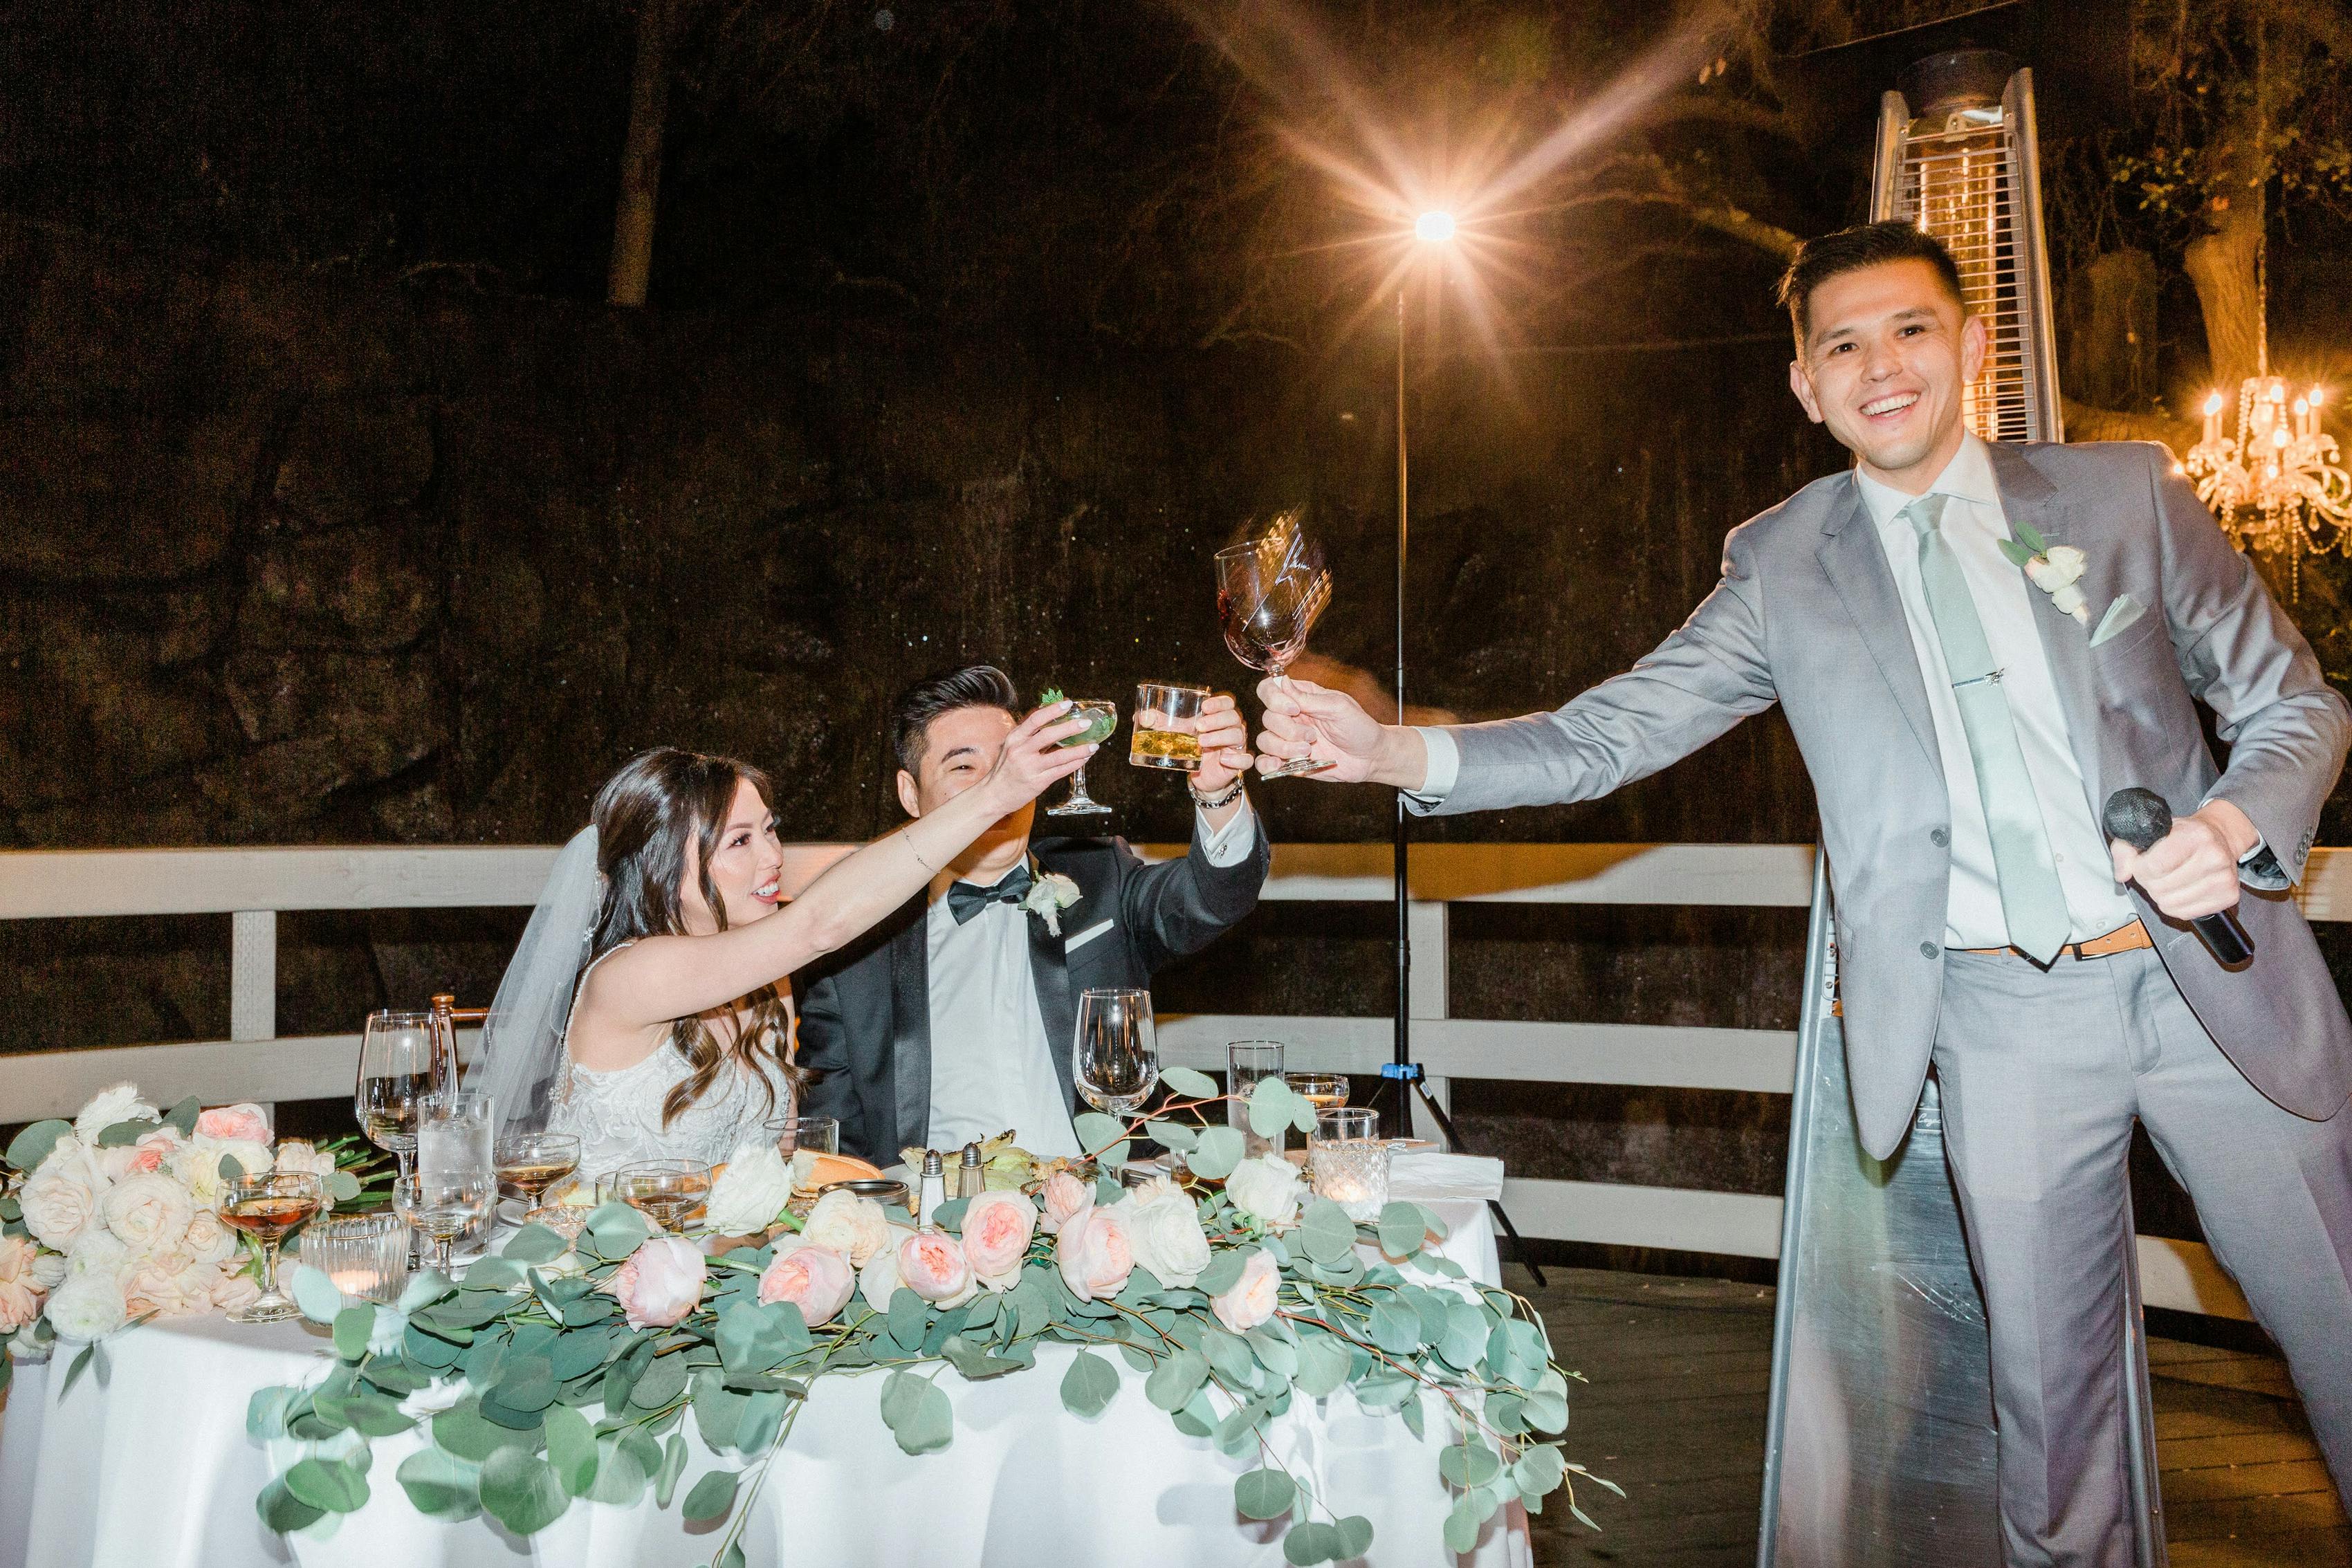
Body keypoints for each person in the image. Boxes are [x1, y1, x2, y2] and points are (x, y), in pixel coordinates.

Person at [1250, 221, 2352, 1565]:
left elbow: (2291, 698)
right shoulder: (1781, 563)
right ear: (1803, 386)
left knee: (2342, 1326)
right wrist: (1393, 749)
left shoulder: (2122, 495)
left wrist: (2234, 816)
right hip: (2003, 1023)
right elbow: (1609, 734)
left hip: (2213, 976)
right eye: (1840, 344)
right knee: (2052, 1437)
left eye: (1906, 329)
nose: (1877, 365)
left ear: (1968, 346)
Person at [472, 705, 1094, 1178]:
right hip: (604, 1280)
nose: (774, 857)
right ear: (663, 866)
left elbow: (785, 1160)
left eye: (770, 830)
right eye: (740, 841)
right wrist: (993, 796)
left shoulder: (767, 986)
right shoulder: (631, 977)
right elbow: (820, 923)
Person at [796, 665, 1271, 1163]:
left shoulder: (1099, 878)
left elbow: (1212, 899)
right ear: (909, 793)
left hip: (1097, 1214)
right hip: (934, 1221)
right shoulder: (858, 944)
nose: (998, 786)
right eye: (963, 768)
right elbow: (832, 1148)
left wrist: (1219, 792)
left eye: (1008, 763)